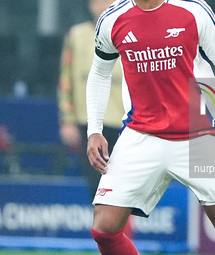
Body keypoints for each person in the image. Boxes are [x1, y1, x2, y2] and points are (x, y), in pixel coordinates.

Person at [86, 0, 215, 254]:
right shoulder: (112, 18)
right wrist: (94, 130)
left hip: (195, 133)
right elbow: (100, 73)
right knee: (104, 229)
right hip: (140, 134)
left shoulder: (194, 9)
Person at [58, 0, 124, 197]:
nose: (103, 4)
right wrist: (67, 120)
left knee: (124, 188)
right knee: (97, 189)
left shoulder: (132, 33)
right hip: (88, 124)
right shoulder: (76, 36)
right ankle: (104, 227)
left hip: (125, 124)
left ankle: (120, 228)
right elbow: (65, 80)